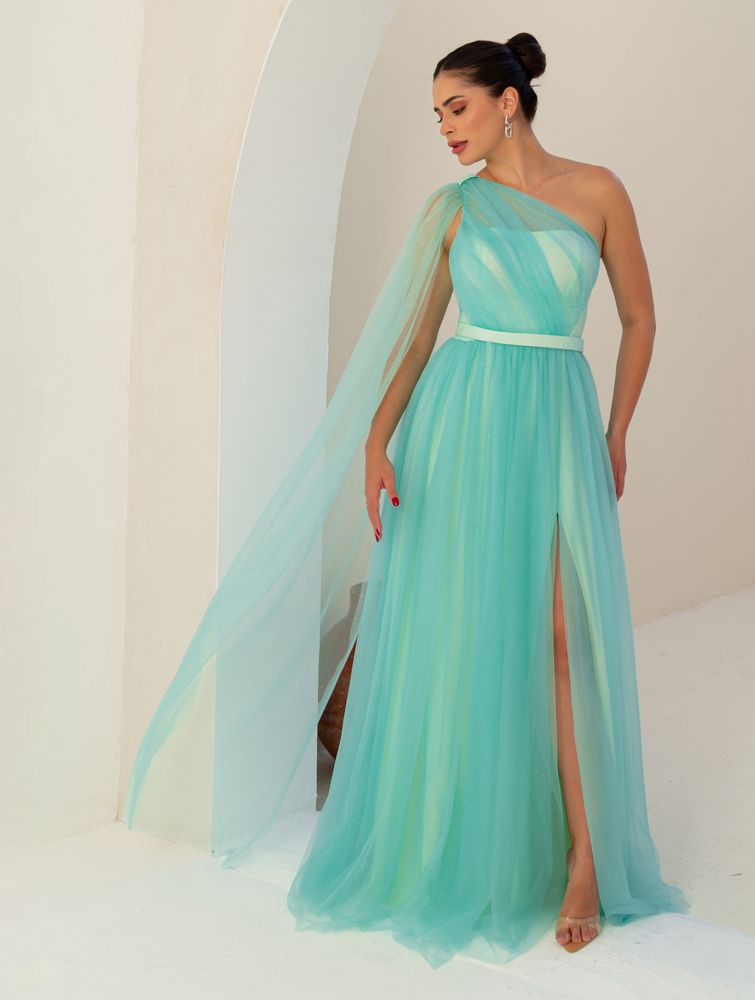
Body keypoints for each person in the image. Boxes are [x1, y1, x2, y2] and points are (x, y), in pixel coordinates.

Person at [122, 32, 689, 967]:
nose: (446, 129)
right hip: (463, 427)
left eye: (457, 109)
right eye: (436, 117)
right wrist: (378, 440)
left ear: (509, 101)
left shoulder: (598, 192)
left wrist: (618, 429)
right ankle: (465, 839)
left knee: (563, 635)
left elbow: (640, 317)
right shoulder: (452, 212)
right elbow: (420, 338)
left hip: (555, 420)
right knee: (470, 631)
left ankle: (586, 856)